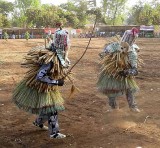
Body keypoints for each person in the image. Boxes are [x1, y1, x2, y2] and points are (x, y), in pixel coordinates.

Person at [12, 22, 71, 139]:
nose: (68, 46)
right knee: (53, 109)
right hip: (41, 87)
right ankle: (54, 133)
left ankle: (38, 122)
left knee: (47, 107)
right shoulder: (50, 59)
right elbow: (40, 76)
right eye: (66, 44)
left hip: (47, 87)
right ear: (63, 45)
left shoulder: (59, 56)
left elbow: (62, 65)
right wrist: (56, 82)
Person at [97, 27, 141, 113]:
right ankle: (114, 108)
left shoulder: (132, 53)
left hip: (125, 75)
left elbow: (135, 71)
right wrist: (110, 63)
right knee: (111, 90)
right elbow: (102, 56)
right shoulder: (112, 47)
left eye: (131, 38)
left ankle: (133, 106)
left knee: (129, 89)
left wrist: (126, 72)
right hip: (111, 73)